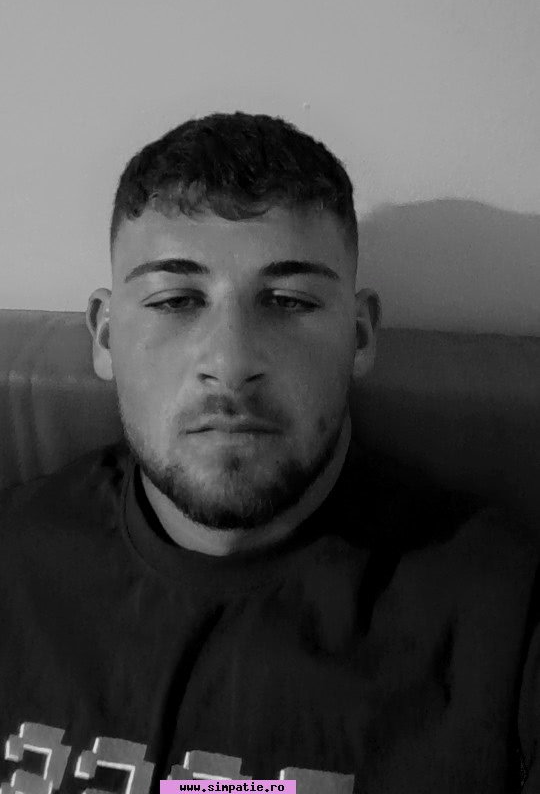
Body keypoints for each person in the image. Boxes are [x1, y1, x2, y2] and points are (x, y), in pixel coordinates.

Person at [0, 112, 539, 794]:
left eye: (287, 301)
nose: (229, 364)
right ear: (106, 337)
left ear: (360, 335)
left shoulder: (507, 617)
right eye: (175, 300)